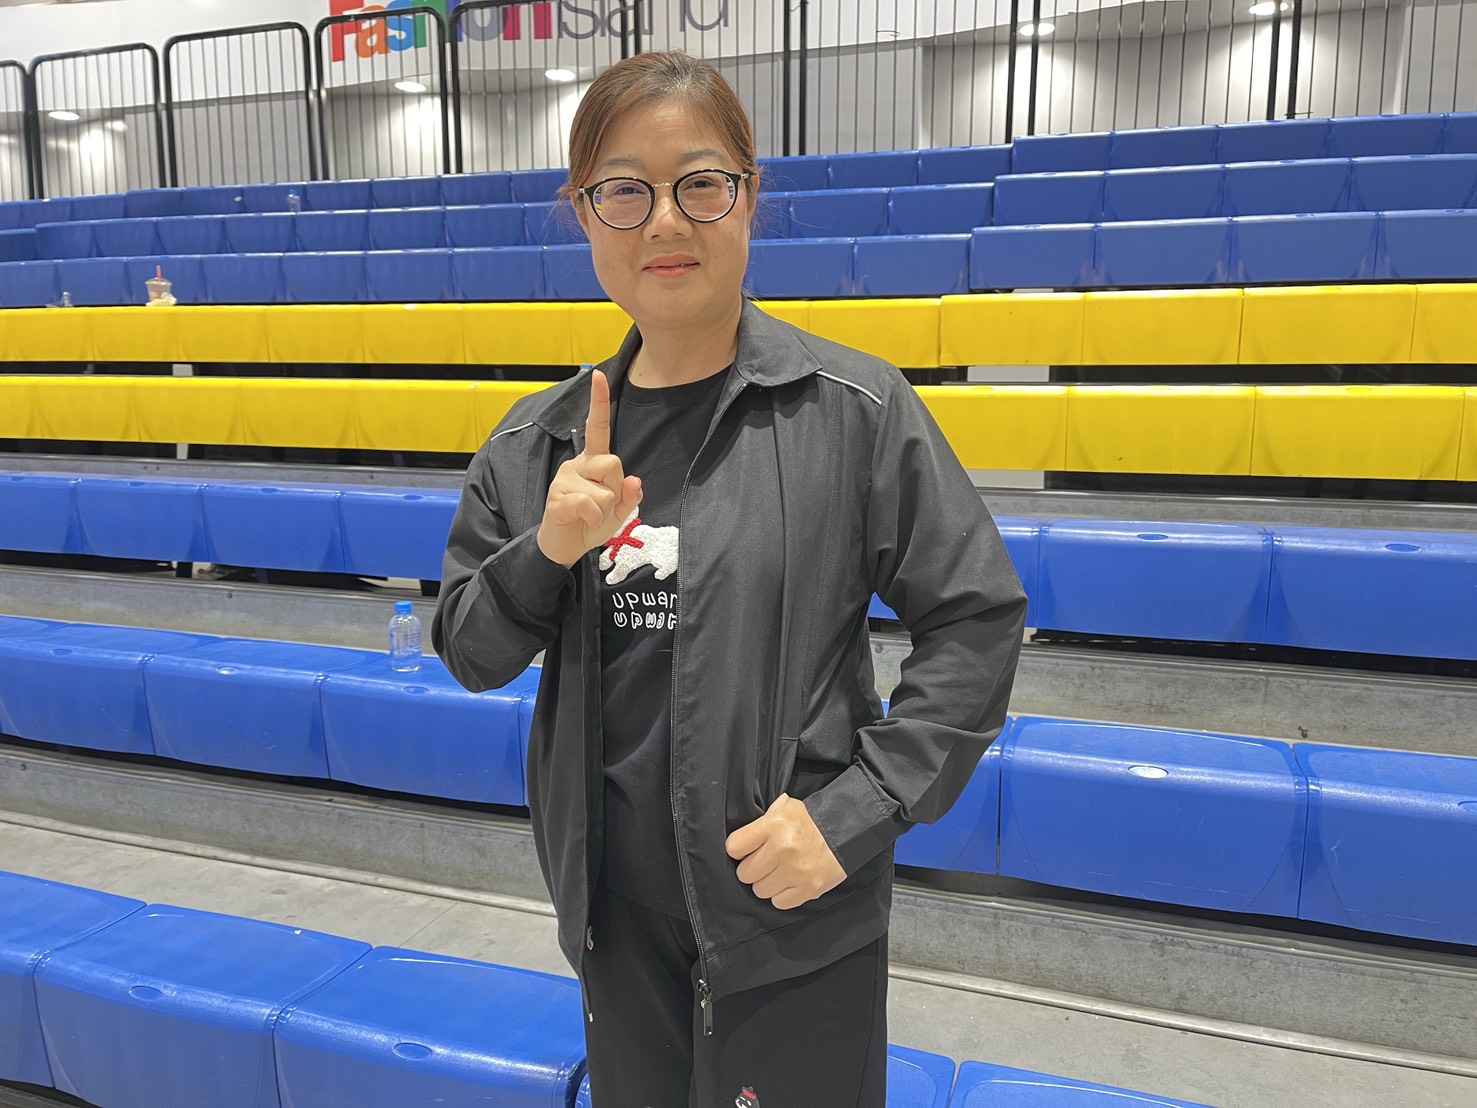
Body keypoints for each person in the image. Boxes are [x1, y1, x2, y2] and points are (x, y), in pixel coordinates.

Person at [433, 51, 1027, 1108]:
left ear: (749, 197)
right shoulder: (534, 445)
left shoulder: (853, 411)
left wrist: (854, 814)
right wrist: (550, 548)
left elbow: (975, 619)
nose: (664, 222)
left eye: (699, 184)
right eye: (624, 190)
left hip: (793, 918)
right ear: (583, 214)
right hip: (613, 923)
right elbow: (470, 650)